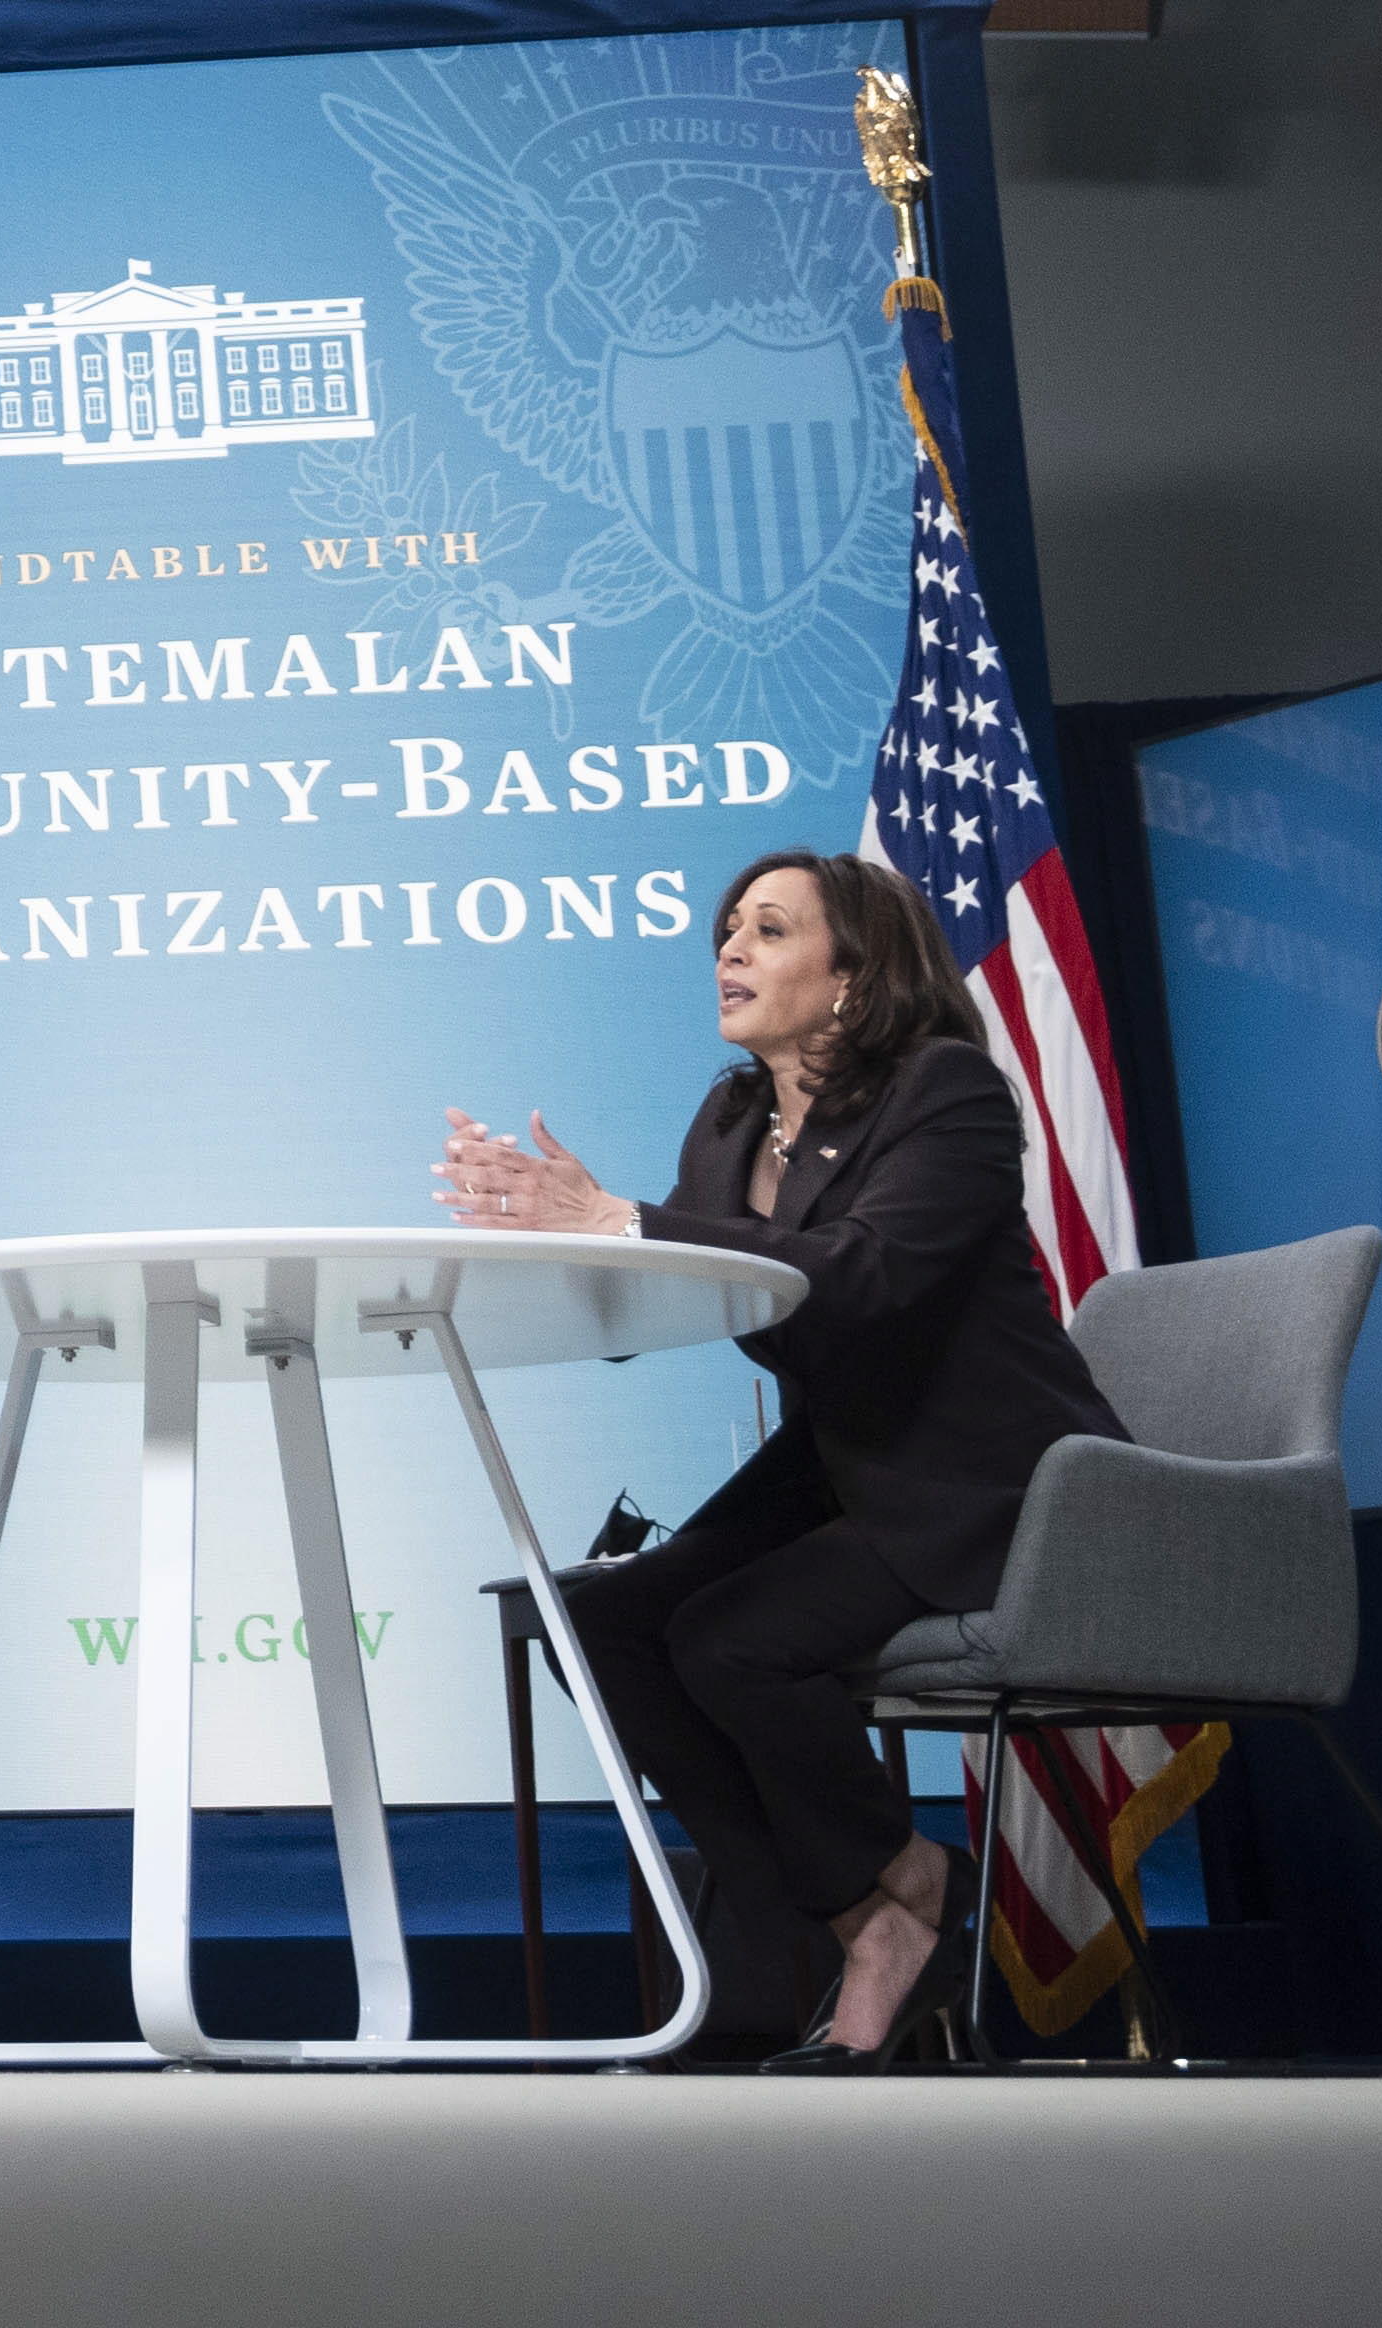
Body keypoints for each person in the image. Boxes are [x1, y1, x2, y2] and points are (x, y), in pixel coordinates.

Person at [438, 845, 1125, 2068]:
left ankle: (888, 1911)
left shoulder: (944, 1091)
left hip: (990, 1481)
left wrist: (622, 1221)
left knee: (728, 1637)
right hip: (842, 1469)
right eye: (727, 929)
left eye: (767, 928)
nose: (730, 950)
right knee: (599, 1621)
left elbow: (866, 1277)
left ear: (852, 974)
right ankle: (875, 1904)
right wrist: (555, 1239)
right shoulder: (732, 1120)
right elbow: (674, 1300)